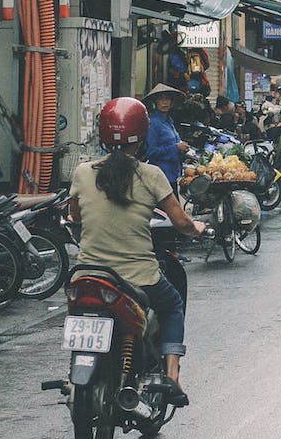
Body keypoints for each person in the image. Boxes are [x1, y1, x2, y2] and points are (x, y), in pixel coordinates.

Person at [69, 97, 208, 404]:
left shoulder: (82, 172)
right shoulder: (151, 175)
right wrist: (197, 228)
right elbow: (181, 221)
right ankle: (172, 376)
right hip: (138, 277)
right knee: (172, 305)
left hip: (88, 274)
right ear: (143, 134)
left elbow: (75, 217)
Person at [143, 83, 192, 188]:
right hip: (161, 175)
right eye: (161, 99)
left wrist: (182, 148)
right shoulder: (154, 123)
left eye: (167, 99)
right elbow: (151, 152)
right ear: (155, 102)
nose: (164, 102)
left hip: (173, 173)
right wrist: (176, 147)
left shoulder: (169, 120)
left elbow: (175, 142)